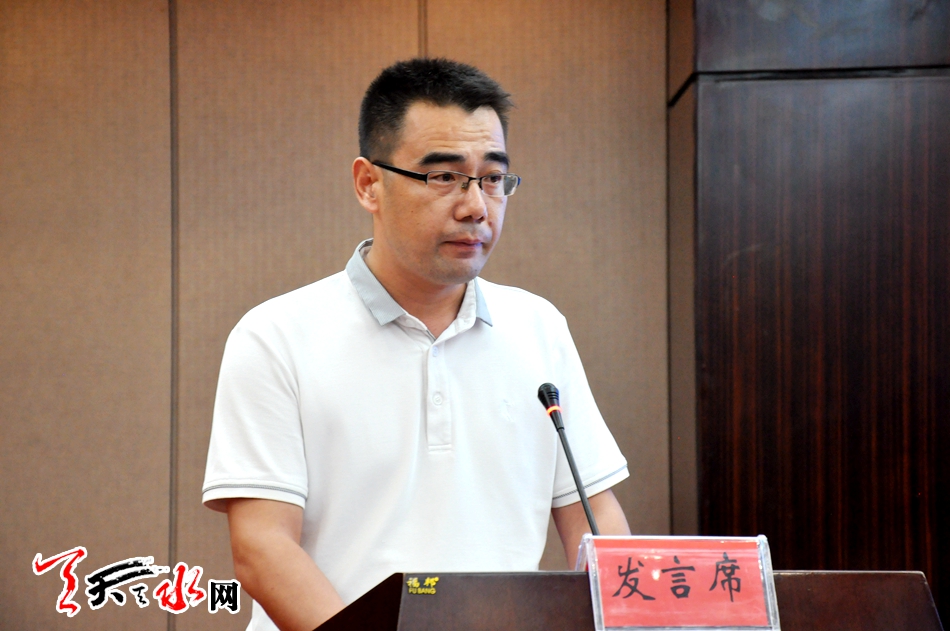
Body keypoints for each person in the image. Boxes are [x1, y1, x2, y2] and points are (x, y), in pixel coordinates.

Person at [202, 58, 631, 631]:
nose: (476, 207)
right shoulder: (276, 336)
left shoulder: (538, 328)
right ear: (368, 184)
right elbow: (262, 550)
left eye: (493, 178)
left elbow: (595, 519)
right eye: (444, 177)